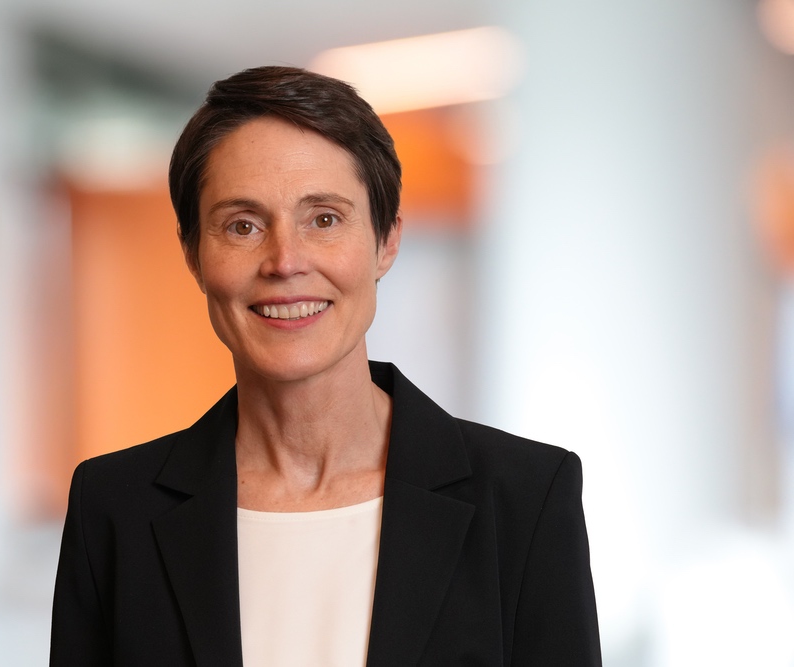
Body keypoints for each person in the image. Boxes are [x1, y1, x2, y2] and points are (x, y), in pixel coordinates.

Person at [50, 65, 602, 667]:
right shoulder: (113, 510)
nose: (285, 261)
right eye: (243, 225)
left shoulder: (526, 500)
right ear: (193, 253)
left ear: (387, 240)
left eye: (324, 219)